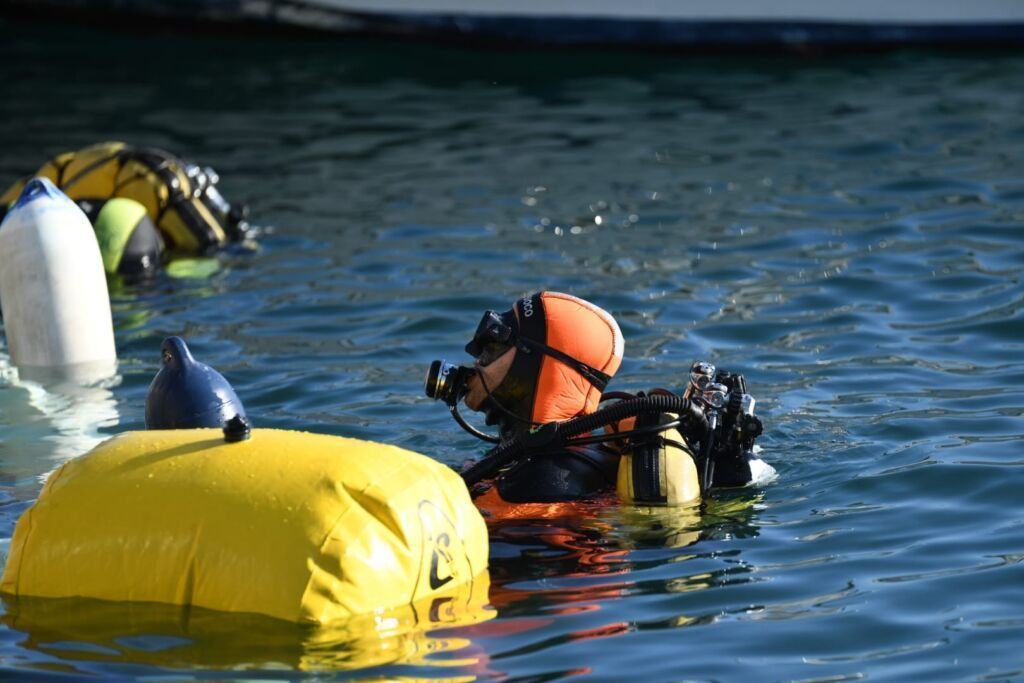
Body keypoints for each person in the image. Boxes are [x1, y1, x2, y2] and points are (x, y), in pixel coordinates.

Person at [460, 291, 625, 503]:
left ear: (536, 363)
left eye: (495, 344)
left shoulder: (544, 480)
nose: (477, 360)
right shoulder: (532, 455)